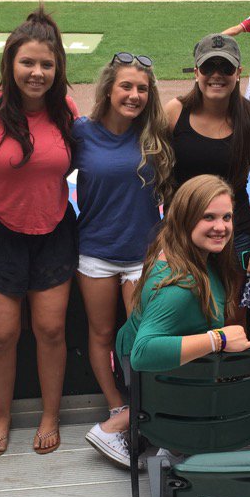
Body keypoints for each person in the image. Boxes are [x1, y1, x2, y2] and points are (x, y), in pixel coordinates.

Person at [0, 7, 78, 457]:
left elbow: (70, 161)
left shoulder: (64, 108)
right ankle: (2, 415)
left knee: (50, 329)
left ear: (57, 68)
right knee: (2, 334)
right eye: (28, 62)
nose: (37, 72)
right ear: (10, 63)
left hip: (53, 230)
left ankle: (50, 414)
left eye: (47, 64)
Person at [72, 53, 173, 467]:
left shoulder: (155, 136)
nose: (134, 95)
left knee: (140, 339)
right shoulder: (81, 132)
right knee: (100, 334)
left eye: (142, 89)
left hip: (142, 255)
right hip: (95, 250)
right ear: (109, 90)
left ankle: (143, 408)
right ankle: (118, 410)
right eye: (126, 87)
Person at [165, 33, 250, 316]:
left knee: (239, 311)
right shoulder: (175, 112)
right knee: (186, 311)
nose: (217, 75)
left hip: (236, 236)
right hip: (183, 234)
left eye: (225, 68)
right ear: (196, 71)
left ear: (239, 73)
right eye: (208, 67)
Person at [116, 174, 250, 374]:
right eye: (208, 217)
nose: (221, 227)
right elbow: (142, 353)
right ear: (185, 218)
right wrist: (218, 340)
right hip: (154, 385)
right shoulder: (178, 286)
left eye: (227, 217)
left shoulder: (197, 253)